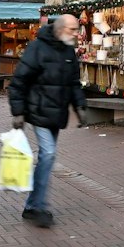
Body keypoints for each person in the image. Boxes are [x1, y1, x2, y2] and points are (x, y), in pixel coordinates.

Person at [8, 14, 87, 228]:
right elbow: (19, 81)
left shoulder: (69, 51)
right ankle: (39, 206)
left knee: (46, 156)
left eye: (76, 29)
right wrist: (18, 111)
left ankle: (31, 206)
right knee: (49, 154)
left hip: (57, 113)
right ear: (60, 29)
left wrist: (80, 106)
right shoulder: (37, 48)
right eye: (72, 29)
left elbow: (73, 83)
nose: (76, 33)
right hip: (38, 111)